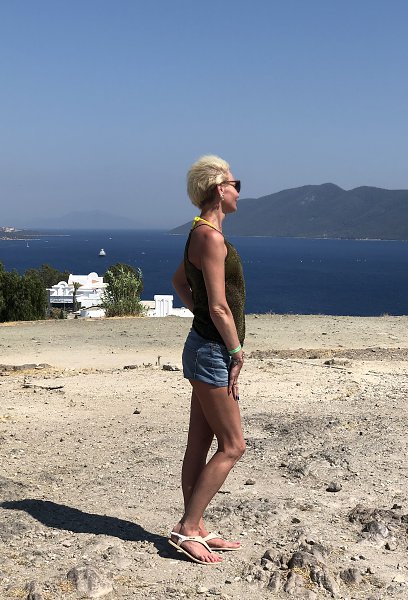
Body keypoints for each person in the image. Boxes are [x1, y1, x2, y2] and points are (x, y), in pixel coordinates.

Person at [170, 155, 246, 565]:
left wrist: (201, 314)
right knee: (233, 445)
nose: (239, 192)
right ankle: (187, 528)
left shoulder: (199, 233)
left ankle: (195, 525)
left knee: (200, 443)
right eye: (236, 184)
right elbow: (218, 306)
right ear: (220, 189)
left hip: (201, 347)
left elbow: (179, 282)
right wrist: (236, 352)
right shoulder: (211, 239)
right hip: (213, 352)